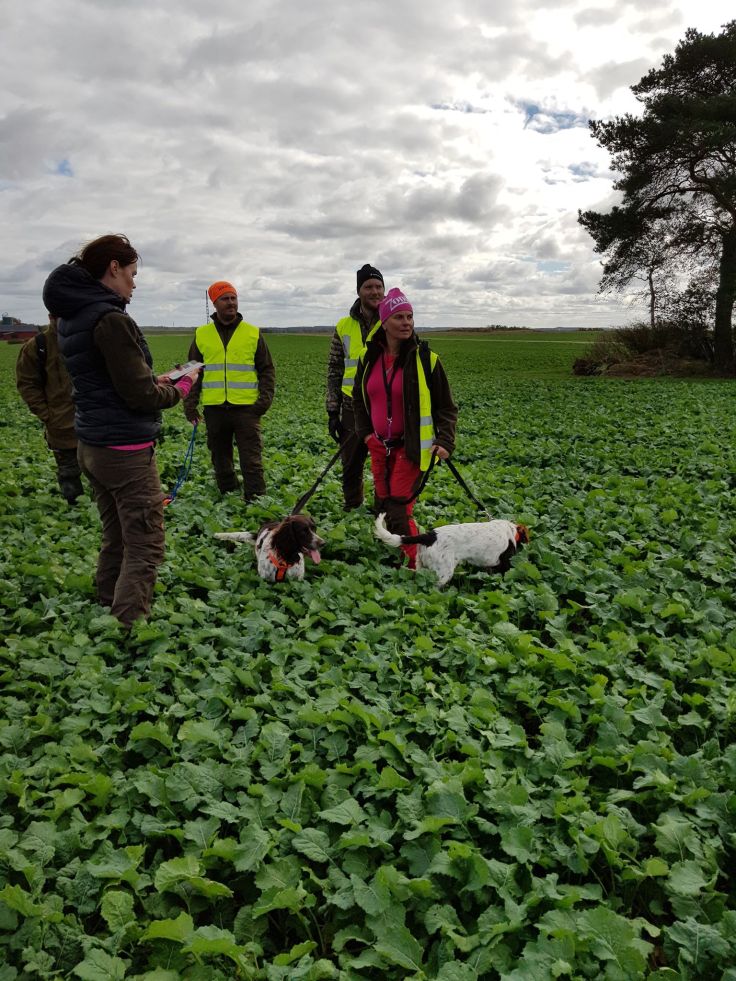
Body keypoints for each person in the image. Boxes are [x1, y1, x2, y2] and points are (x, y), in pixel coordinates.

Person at [42, 234, 200, 627]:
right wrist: (179, 387)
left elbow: (107, 379)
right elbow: (141, 396)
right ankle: (128, 623)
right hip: (124, 450)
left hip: (92, 444)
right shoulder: (110, 319)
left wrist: (153, 378)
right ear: (113, 268)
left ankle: (107, 598)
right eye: (131, 273)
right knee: (145, 541)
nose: (134, 282)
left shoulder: (74, 316)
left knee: (115, 533)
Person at [352, 288, 457, 569]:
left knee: (398, 506)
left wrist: (445, 440)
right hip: (378, 445)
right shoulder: (368, 358)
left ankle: (414, 562)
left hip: (411, 447)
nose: (407, 322)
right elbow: (358, 401)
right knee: (383, 503)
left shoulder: (426, 359)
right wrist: (365, 434)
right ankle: (392, 548)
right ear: (384, 323)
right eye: (399, 317)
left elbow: (446, 407)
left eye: (410, 316)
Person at [183, 281, 275, 501]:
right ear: (215, 303)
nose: (231, 303)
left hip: (246, 409)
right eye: (225, 299)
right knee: (220, 458)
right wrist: (189, 404)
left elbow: (267, 370)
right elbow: (193, 372)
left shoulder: (252, 333)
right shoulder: (202, 334)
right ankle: (228, 497)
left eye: (233, 298)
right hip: (214, 409)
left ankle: (255, 501)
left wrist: (262, 403)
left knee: (251, 460)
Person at [326, 264, 385, 510]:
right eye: (368, 287)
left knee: (385, 464)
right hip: (351, 405)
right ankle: (352, 507)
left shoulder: (393, 319)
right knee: (350, 463)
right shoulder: (343, 326)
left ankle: (384, 514)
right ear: (359, 291)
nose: (375, 292)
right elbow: (334, 369)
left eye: (379, 286)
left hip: (384, 407)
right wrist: (332, 410)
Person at [15, 312, 84, 504]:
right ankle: (75, 511)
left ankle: (101, 510)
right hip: (61, 424)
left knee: (103, 470)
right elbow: (27, 384)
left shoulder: (86, 339)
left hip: (96, 420)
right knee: (69, 472)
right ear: (51, 317)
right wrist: (47, 415)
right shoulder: (38, 346)